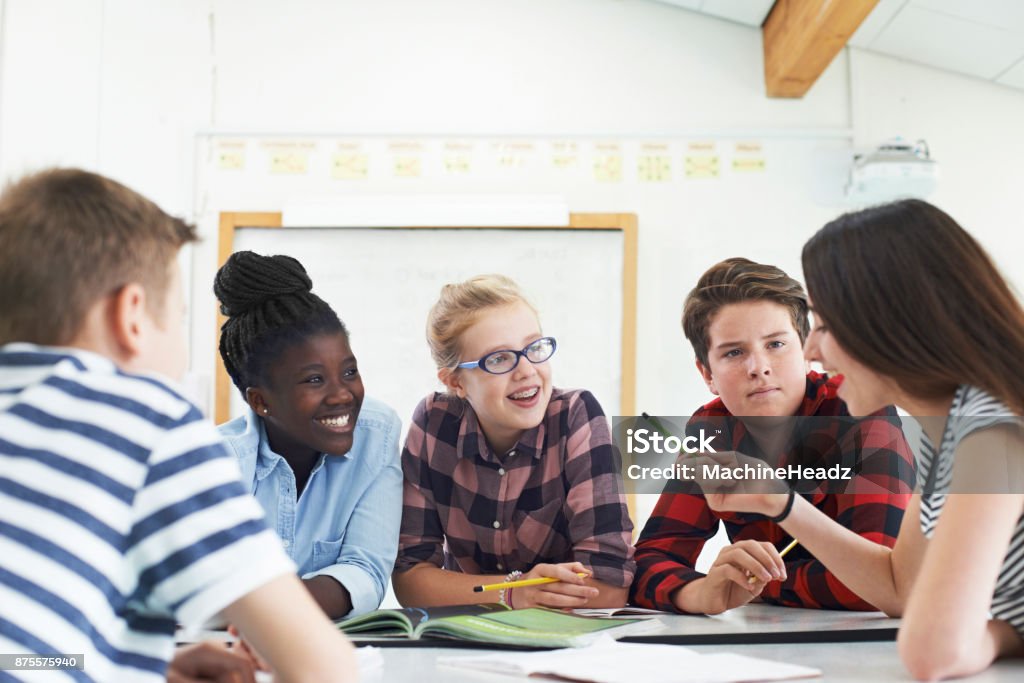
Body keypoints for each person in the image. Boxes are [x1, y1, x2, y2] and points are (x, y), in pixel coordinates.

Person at [0, 169, 356, 682]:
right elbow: (323, 667)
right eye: (182, 316)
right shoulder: (145, 419)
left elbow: (23, 655)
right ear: (133, 316)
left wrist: (138, 665)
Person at [695, 200, 1024, 680]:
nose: (810, 350)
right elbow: (899, 587)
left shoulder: (991, 434)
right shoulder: (945, 432)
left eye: (824, 326)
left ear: (889, 327)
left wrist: (1005, 631)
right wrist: (779, 501)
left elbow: (934, 650)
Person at [631, 258, 916, 615]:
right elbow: (647, 561)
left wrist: (758, 584)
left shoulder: (860, 409)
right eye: (734, 352)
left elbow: (877, 583)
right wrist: (704, 593)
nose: (759, 368)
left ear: (807, 351)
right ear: (707, 373)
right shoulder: (711, 428)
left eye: (776, 344)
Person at [392, 274, 635, 609]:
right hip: (465, 639)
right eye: (499, 359)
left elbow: (608, 585)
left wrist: (501, 593)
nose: (526, 371)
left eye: (533, 348)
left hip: (567, 637)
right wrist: (512, 591)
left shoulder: (576, 415)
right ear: (455, 382)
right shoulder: (434, 423)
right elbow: (411, 580)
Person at [214, 250, 402, 619]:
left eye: (349, 372)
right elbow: (203, 594)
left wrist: (269, 607)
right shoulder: (218, 464)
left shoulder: (376, 434)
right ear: (261, 401)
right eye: (314, 380)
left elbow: (365, 571)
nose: (342, 395)